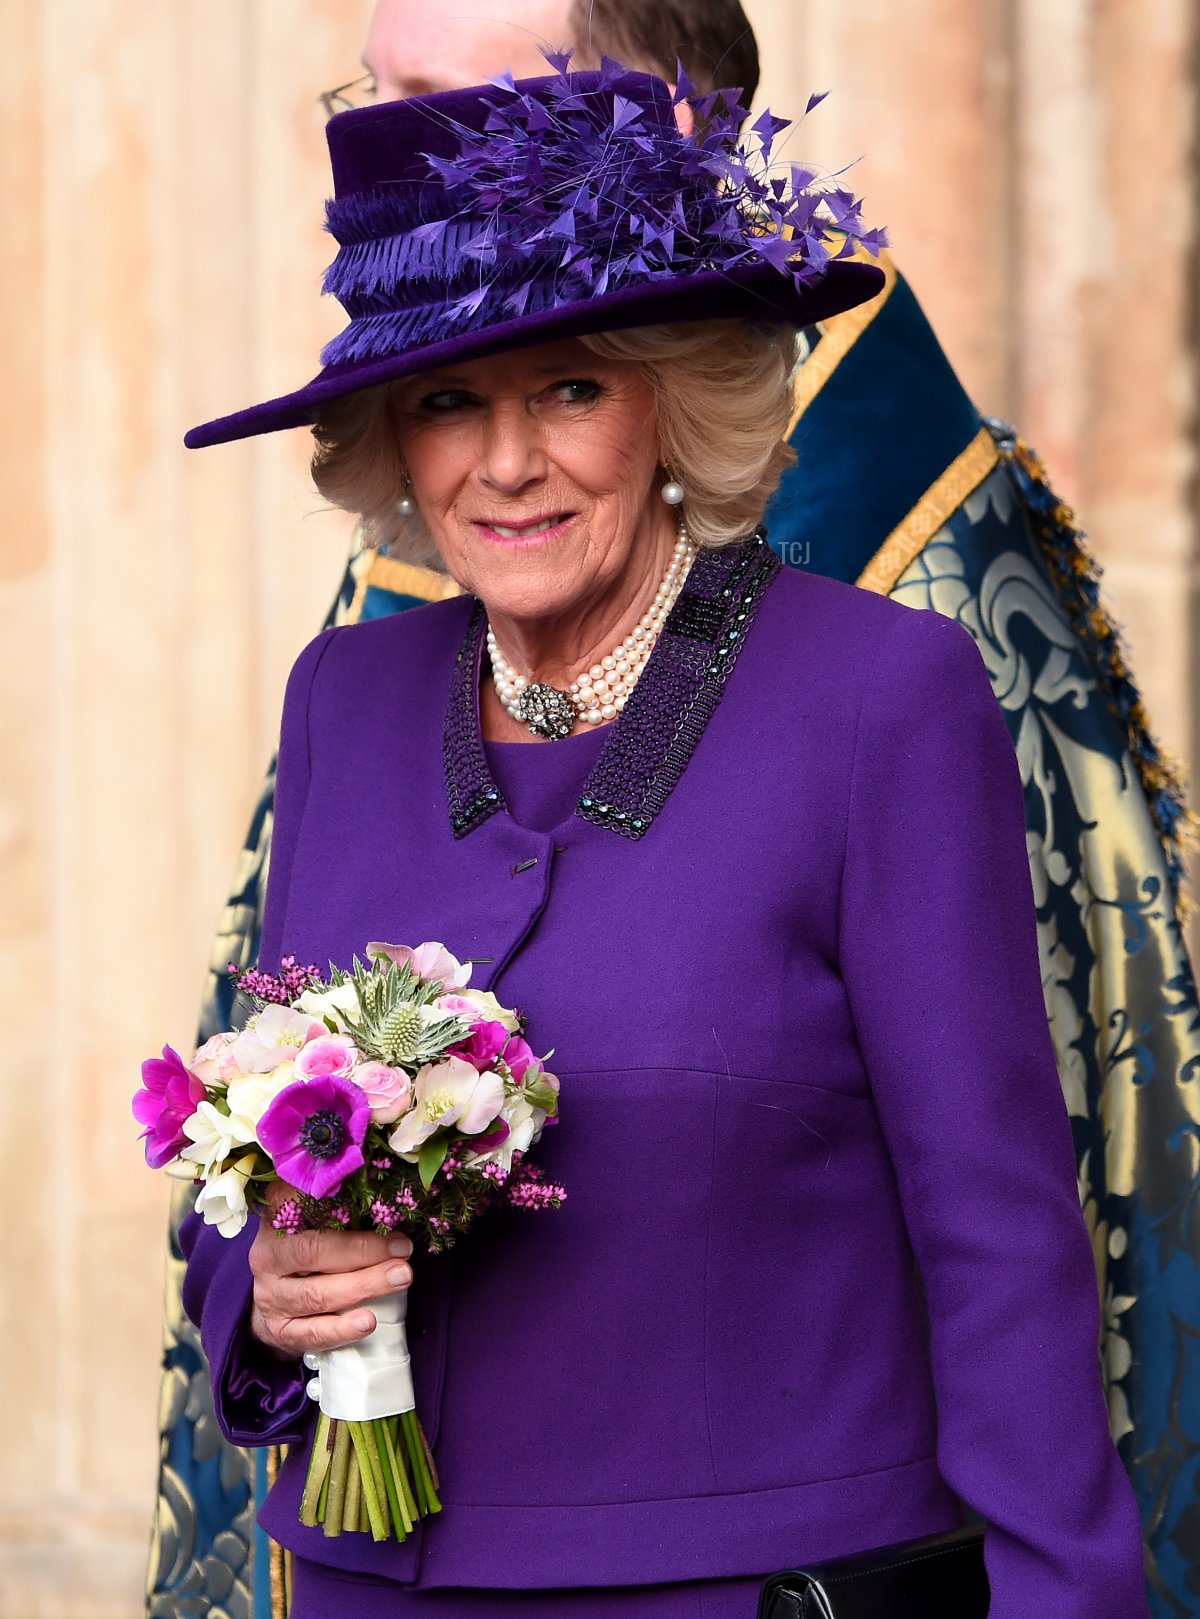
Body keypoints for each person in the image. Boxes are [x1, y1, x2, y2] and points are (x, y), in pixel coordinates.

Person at [146, 6, 1200, 1619]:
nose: (505, 464)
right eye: (444, 403)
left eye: (571, 388)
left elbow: (1001, 1247)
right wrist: (268, 1290)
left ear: (673, 412)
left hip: (752, 1592)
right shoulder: (343, 701)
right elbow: (246, 1191)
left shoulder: (879, 699)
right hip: (369, 1585)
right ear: (387, 441)